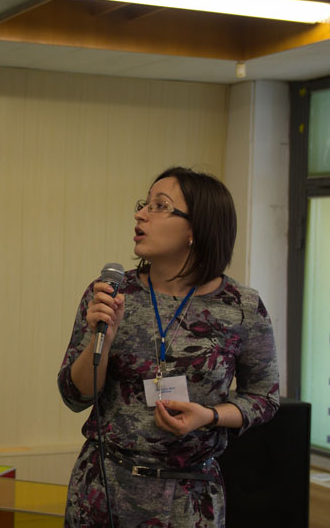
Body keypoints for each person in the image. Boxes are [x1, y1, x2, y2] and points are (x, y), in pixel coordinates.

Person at [57, 166, 280, 527]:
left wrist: (210, 416)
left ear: (196, 229)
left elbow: (264, 398)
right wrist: (104, 341)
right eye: (144, 204)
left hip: (190, 498)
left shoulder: (242, 306)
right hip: (104, 489)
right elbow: (74, 396)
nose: (140, 214)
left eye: (160, 206)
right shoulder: (112, 294)